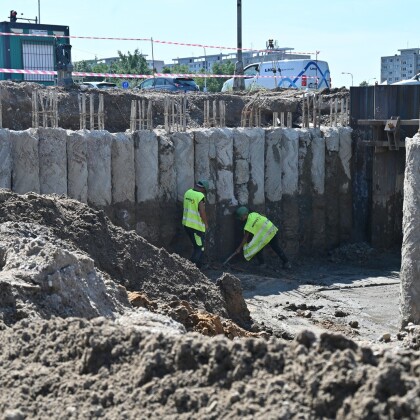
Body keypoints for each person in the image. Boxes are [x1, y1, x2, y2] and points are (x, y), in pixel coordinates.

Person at [182, 180, 209, 268]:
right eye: (205, 191)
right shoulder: (200, 196)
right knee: (199, 248)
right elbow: (202, 212)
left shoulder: (188, 192)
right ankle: (191, 268)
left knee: (197, 246)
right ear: (203, 188)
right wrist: (206, 224)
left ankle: (198, 266)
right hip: (196, 227)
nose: (204, 193)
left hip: (186, 224)